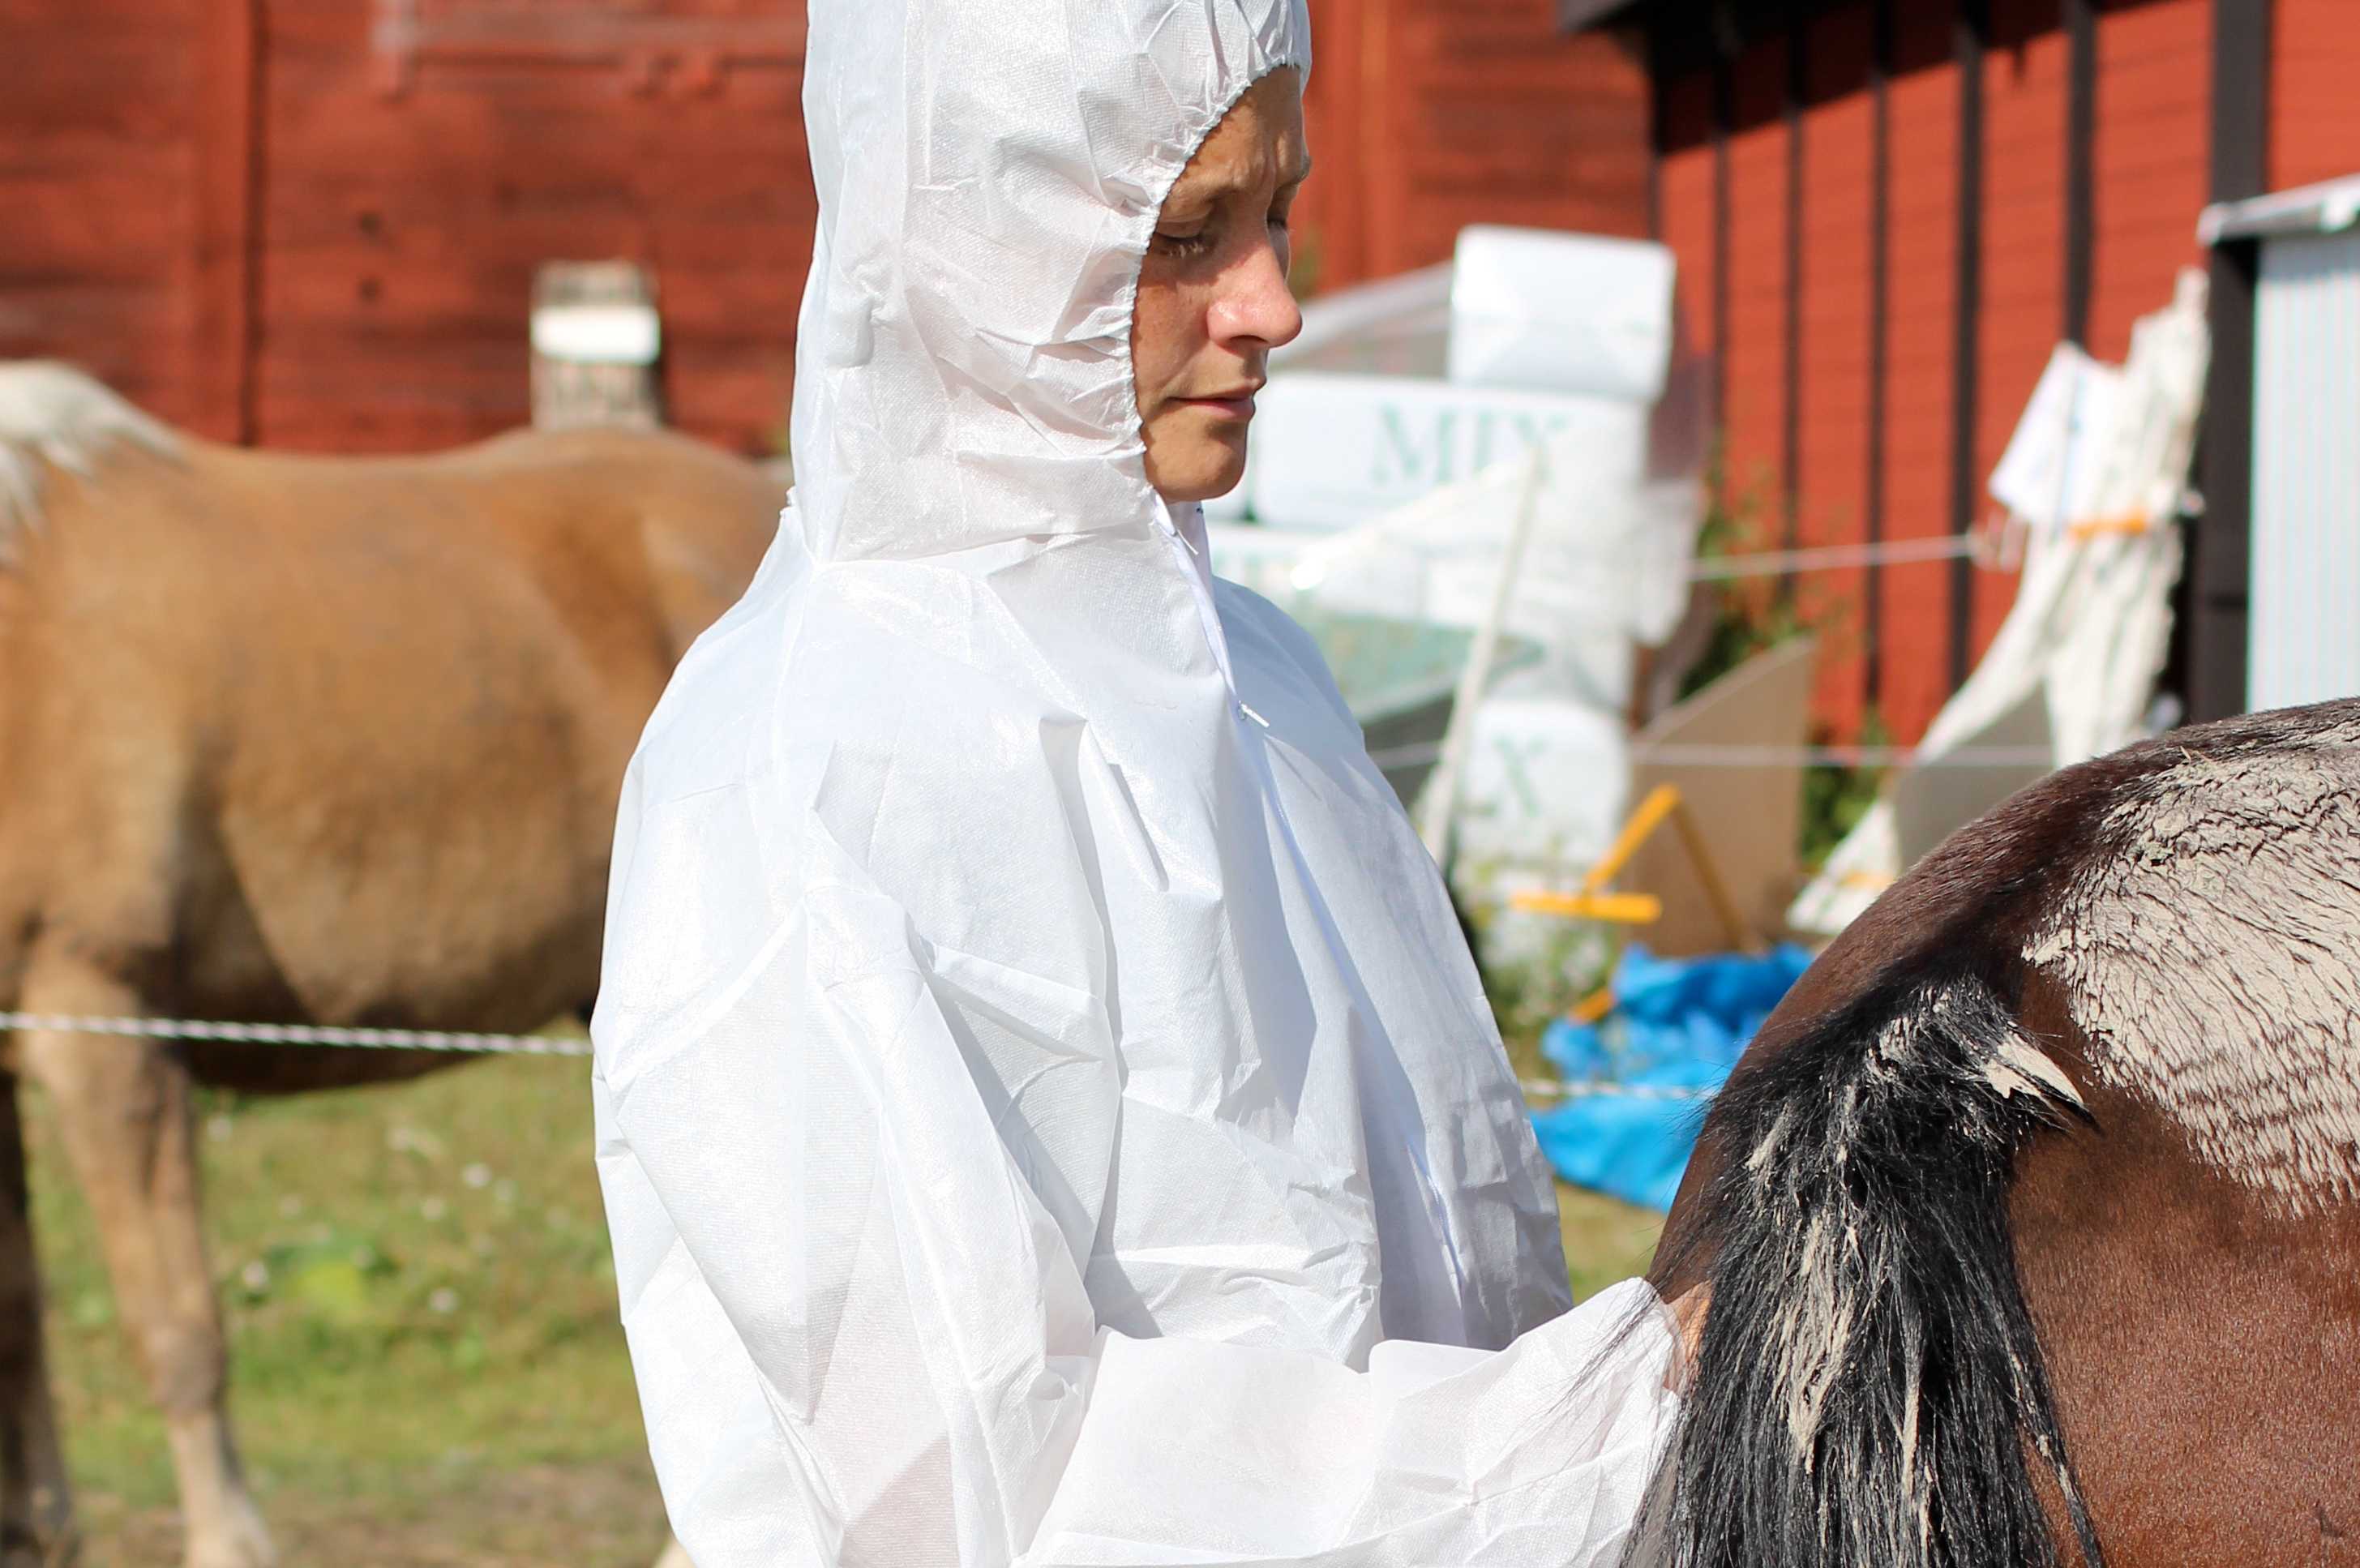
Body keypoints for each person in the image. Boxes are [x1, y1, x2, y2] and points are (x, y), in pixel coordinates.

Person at [590, 2, 1700, 1562]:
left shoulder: (1260, 683)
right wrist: (1602, 1429)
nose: (1275, 305)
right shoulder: (795, 774)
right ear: (982, 247)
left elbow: (1448, 1229)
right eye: (1187, 235)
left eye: (1280, 212)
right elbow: (987, 1494)